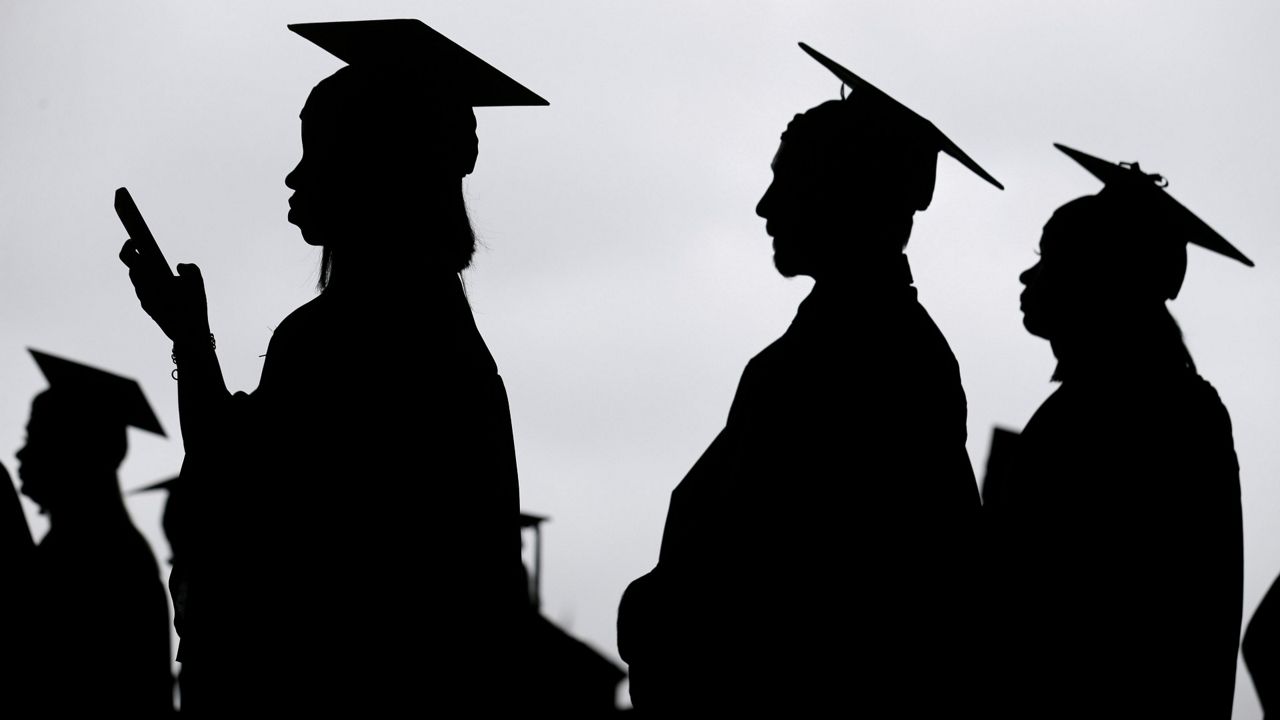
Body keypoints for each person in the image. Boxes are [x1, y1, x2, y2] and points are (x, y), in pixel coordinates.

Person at [118, 19, 544, 714]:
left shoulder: (346, 341)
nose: (294, 175)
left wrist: (193, 346)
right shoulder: (436, 333)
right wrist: (189, 339)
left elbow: (242, 503)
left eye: (316, 150)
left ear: (374, 167)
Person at [617, 43, 1001, 714]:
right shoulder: (848, 347)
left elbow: (791, 574)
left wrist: (661, 609)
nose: (766, 206)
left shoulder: (868, 358)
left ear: (845, 193)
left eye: (789, 179)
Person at [983, 144, 1248, 718]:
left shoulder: (1137, 417)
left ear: (1101, 278)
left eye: (1051, 257)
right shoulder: (1169, 406)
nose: (1030, 273)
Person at [12, 350, 174, 715]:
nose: (21, 454)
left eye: (39, 437)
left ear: (82, 452)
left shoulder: (99, 558)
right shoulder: (104, 546)